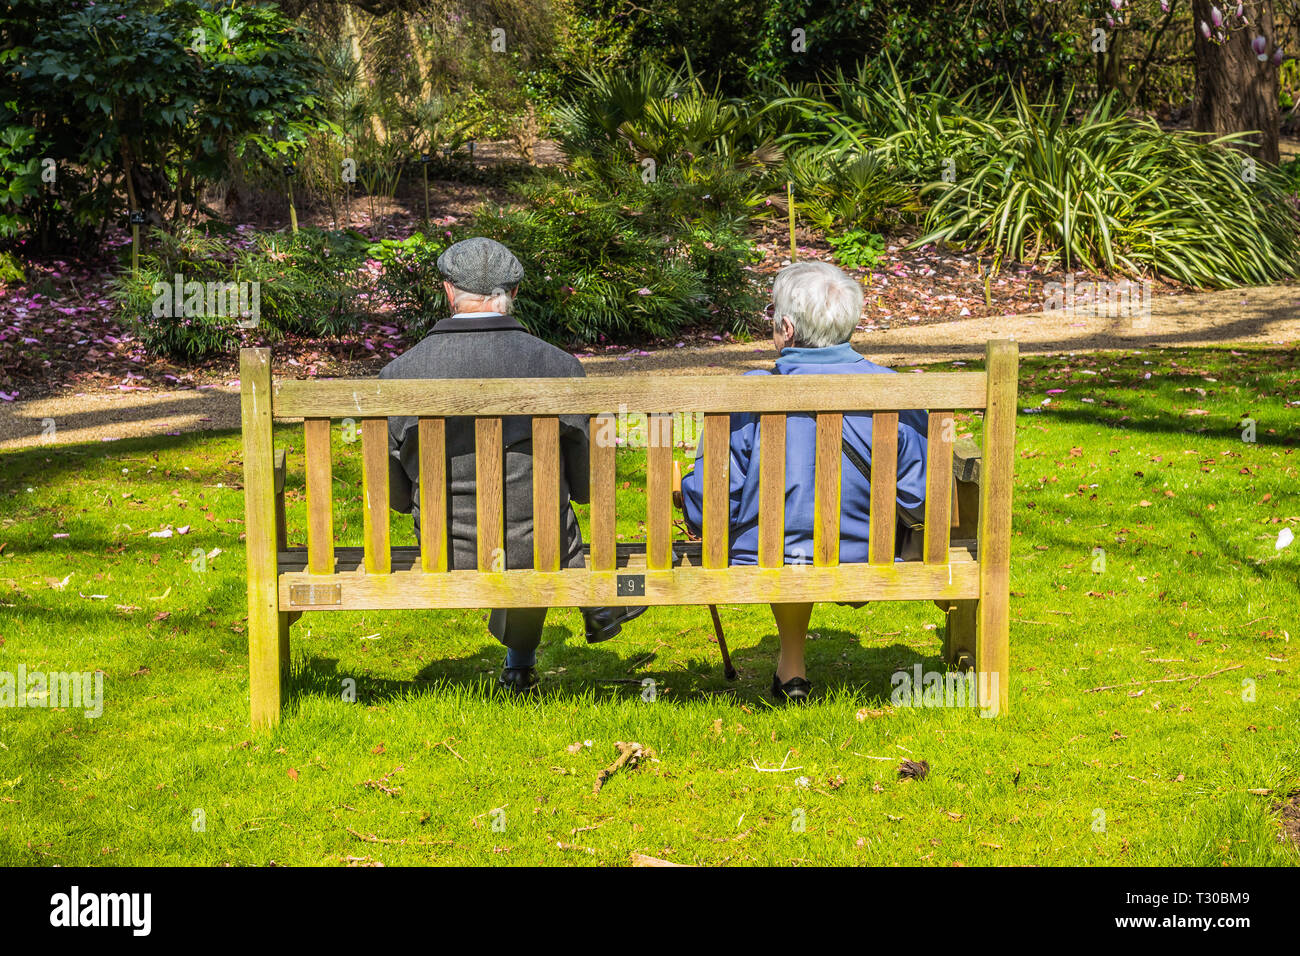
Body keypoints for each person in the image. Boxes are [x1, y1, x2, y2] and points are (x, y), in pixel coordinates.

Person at [381, 237, 645, 695]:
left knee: (528, 525)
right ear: (513, 294)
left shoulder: (399, 373)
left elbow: (397, 497)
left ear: (448, 292)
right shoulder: (558, 367)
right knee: (537, 524)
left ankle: (522, 663)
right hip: (538, 544)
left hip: (448, 548)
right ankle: (578, 620)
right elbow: (585, 485)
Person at [680, 260, 929, 703]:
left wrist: (686, 493)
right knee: (798, 533)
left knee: (788, 535)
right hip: (866, 551)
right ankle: (790, 668)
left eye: (774, 317)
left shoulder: (749, 394)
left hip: (765, 552)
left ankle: (793, 671)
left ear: (788, 328)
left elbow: (711, 503)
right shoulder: (894, 390)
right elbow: (920, 493)